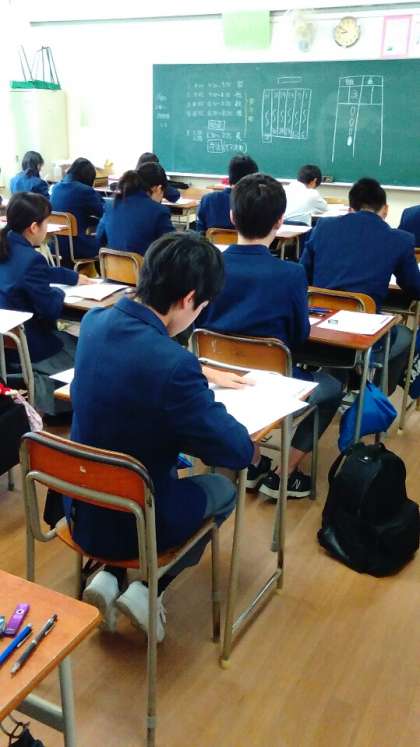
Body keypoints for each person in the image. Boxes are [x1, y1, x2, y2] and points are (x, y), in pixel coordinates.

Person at [67, 232, 256, 638]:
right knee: (223, 489)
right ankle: (149, 588)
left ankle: (109, 575)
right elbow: (236, 450)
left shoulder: (95, 322)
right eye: (201, 308)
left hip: (81, 507)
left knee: (139, 457)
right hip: (137, 522)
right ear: (188, 300)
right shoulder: (174, 366)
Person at [199, 173, 343, 500]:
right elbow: (298, 336)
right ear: (280, 221)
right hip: (270, 383)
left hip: (214, 377)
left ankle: (252, 461)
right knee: (333, 388)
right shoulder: (291, 274)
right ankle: (284, 472)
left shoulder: (209, 265)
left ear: (232, 217)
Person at [300, 177, 420, 394]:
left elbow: (303, 275)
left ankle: (346, 379)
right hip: (361, 336)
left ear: (350, 207)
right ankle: (376, 393)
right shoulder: (400, 240)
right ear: (385, 209)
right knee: (404, 335)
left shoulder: (323, 227)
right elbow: (415, 287)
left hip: (314, 332)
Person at [0, 193, 92, 414]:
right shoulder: (31, 259)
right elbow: (51, 310)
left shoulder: (8, 244)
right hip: (30, 344)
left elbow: (38, 272)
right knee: (85, 349)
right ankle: (65, 404)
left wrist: (72, 277)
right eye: (46, 222)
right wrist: (58, 292)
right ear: (33, 227)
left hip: (5, 343)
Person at [96, 164, 174, 256]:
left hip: (111, 265)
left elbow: (99, 238)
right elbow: (172, 248)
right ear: (158, 188)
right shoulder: (159, 211)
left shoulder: (111, 205)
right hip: (143, 265)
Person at [51, 157, 104, 264]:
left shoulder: (55, 188)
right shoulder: (85, 191)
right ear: (88, 178)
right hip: (77, 247)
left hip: (55, 246)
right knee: (107, 243)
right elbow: (104, 212)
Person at [196, 155, 258, 234]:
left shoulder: (208, 199)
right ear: (253, 178)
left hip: (212, 242)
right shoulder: (257, 203)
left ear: (230, 176)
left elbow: (199, 232)